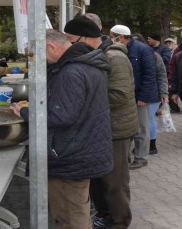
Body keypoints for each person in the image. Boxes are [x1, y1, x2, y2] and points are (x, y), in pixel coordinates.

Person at [10, 29, 112, 229]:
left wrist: (25, 112)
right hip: (82, 149)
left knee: (70, 217)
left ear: (51, 47)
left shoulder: (71, 71)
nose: (39, 60)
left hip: (70, 154)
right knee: (76, 211)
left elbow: (61, 116)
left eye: (38, 54)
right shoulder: (86, 64)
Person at [64, 16, 138, 229]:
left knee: (115, 182)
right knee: (98, 178)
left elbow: (121, 95)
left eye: (71, 39)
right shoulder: (95, 54)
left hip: (117, 129)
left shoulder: (115, 57)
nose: (70, 45)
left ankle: (120, 222)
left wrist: (84, 101)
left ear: (84, 37)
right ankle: (105, 215)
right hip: (100, 127)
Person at [110, 25, 158, 169]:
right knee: (127, 128)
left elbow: (150, 75)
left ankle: (141, 158)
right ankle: (126, 158)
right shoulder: (118, 50)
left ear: (121, 37)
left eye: (113, 36)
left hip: (139, 96)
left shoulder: (143, 49)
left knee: (141, 129)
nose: (111, 38)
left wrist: (143, 97)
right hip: (125, 96)